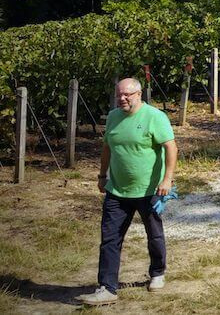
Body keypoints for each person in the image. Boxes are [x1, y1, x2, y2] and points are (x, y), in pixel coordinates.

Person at [77, 78, 177, 306]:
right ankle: (107, 287)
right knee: (110, 238)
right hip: (118, 190)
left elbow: (171, 147)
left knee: (154, 234)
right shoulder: (113, 117)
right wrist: (102, 175)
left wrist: (167, 179)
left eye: (127, 95)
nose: (122, 98)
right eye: (119, 95)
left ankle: (157, 272)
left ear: (139, 94)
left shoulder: (155, 117)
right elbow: (107, 147)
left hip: (148, 190)